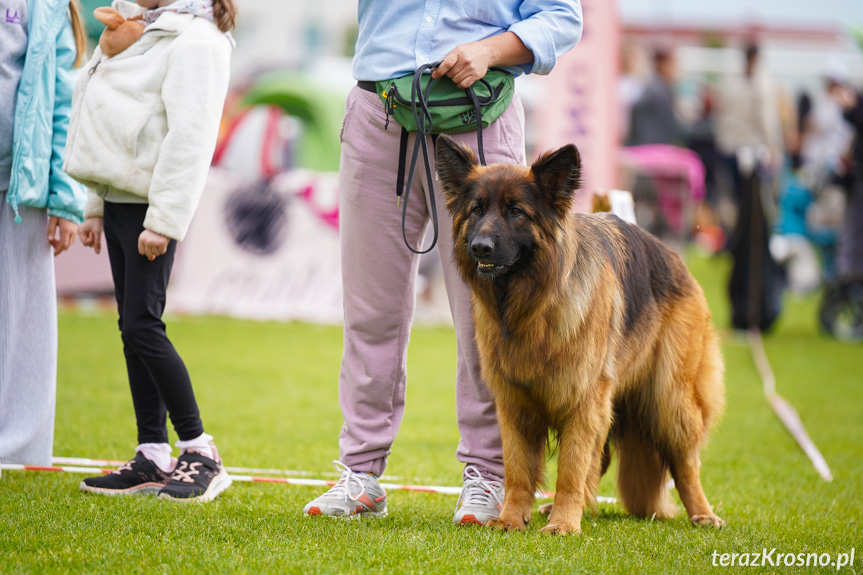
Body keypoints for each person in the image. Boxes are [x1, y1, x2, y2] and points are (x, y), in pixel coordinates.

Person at [302, 0, 583, 523]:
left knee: (488, 318)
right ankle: (359, 474)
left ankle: (488, 475)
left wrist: (488, 49)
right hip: (376, 113)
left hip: (478, 118)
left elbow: (563, 16)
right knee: (370, 309)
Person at [65, 0, 237, 501]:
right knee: (130, 327)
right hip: (120, 204)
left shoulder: (199, 41)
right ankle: (152, 454)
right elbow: (108, 119)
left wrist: (162, 220)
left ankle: (201, 449)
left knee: (143, 324)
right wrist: (95, 203)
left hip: (150, 211)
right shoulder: (144, 30)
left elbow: (191, 137)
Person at [0, 0, 87, 466]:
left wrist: (65, 198)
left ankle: (21, 448)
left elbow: (62, 104)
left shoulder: (47, 4)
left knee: (26, 323)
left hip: (22, 182)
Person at [625, 47, 681, 147]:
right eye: (673, 65)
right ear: (662, 65)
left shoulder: (661, 88)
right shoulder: (655, 91)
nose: (676, 69)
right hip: (650, 150)